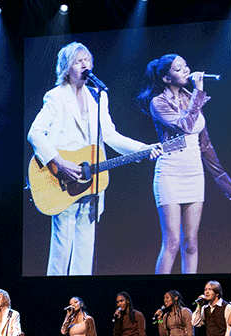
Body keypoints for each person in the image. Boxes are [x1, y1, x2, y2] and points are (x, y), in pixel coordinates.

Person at [27, 41, 162, 276]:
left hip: (91, 184)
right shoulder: (56, 97)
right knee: (61, 251)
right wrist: (59, 162)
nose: (85, 65)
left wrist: (143, 148)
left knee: (84, 254)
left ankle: (78, 300)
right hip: (62, 179)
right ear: (66, 68)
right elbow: (35, 133)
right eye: (78, 61)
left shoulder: (98, 97)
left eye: (87, 60)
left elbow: (109, 135)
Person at [137, 54, 231, 274]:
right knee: (172, 242)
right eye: (179, 68)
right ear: (166, 78)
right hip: (170, 172)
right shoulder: (158, 102)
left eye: (186, 66)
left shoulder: (191, 96)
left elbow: (205, 143)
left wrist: (224, 181)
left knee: (191, 242)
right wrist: (199, 93)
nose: (186, 70)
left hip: (194, 172)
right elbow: (185, 126)